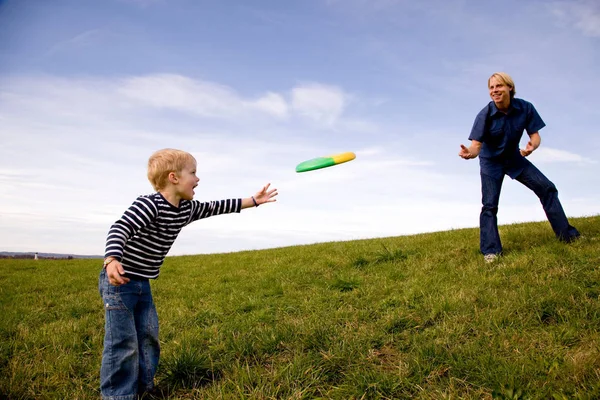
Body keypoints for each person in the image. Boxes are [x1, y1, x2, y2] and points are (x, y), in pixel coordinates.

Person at [98, 148, 278, 400]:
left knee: (148, 337)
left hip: (143, 283)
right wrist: (112, 258)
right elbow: (121, 227)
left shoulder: (186, 208)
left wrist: (254, 200)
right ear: (173, 177)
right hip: (119, 282)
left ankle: (144, 388)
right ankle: (118, 396)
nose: (197, 179)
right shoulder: (150, 204)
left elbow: (218, 206)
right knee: (123, 342)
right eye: (193, 173)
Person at [459, 72, 579, 263]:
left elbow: (535, 135)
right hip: (491, 163)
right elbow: (476, 145)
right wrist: (470, 153)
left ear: (509, 88)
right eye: (491, 87)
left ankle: (567, 235)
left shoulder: (525, 108)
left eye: (498, 86)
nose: (494, 91)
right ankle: (491, 251)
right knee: (489, 205)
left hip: (514, 158)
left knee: (547, 188)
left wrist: (533, 145)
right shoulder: (485, 115)